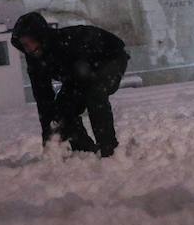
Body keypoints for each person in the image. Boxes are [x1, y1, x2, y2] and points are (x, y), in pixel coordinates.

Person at [10, 11, 130, 158]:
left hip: (110, 58)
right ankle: (85, 151)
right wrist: (48, 137)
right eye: (24, 45)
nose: (27, 48)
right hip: (78, 74)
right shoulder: (34, 59)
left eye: (29, 42)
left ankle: (109, 149)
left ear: (39, 36)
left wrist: (77, 94)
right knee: (62, 109)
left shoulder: (67, 43)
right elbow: (43, 98)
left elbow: (86, 78)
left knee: (94, 94)